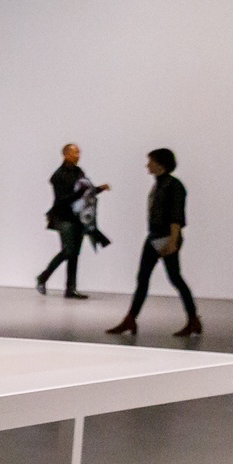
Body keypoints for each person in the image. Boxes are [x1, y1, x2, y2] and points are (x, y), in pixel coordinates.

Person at [107, 148, 201, 338]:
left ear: (160, 163)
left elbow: (176, 216)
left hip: (166, 237)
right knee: (144, 278)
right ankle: (131, 319)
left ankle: (193, 320)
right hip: (155, 237)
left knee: (174, 278)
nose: (147, 165)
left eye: (150, 161)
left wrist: (173, 241)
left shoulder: (173, 186)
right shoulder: (159, 184)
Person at [37, 143, 107, 298]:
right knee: (68, 251)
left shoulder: (79, 171)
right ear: (66, 154)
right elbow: (61, 199)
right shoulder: (58, 175)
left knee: (74, 253)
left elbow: (86, 191)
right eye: (75, 153)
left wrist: (98, 189)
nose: (78, 155)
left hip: (77, 218)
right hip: (63, 217)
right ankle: (43, 277)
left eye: (79, 153)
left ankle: (70, 288)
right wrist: (80, 193)